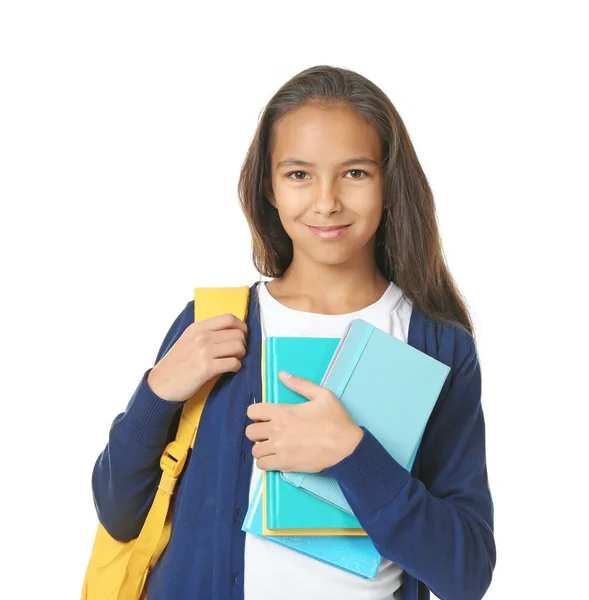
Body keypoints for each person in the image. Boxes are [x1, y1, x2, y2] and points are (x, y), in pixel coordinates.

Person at [91, 65, 496, 600]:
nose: (326, 201)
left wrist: (353, 454)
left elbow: (465, 576)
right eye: (299, 174)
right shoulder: (213, 323)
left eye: (355, 173)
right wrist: (157, 392)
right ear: (269, 188)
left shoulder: (436, 346)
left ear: (390, 182)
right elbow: (120, 513)